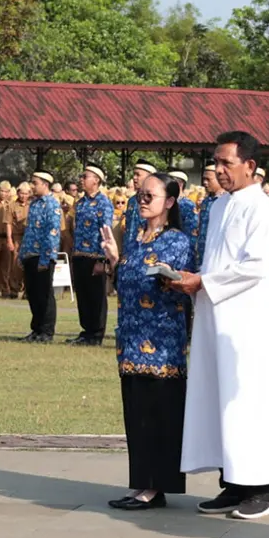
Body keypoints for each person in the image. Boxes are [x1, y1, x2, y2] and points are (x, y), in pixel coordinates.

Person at [174, 131, 269, 520]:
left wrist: (205, 282)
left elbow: (255, 267)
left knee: (248, 399)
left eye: (227, 163)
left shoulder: (262, 209)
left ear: (251, 166)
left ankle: (263, 488)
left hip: (248, 319)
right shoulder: (220, 206)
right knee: (220, 397)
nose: (219, 170)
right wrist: (194, 279)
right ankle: (235, 481)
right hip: (215, 314)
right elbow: (218, 260)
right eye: (216, 162)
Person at [102, 173, 195, 510]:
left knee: (159, 415)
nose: (142, 200)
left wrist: (167, 277)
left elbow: (170, 282)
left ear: (169, 202)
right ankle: (141, 481)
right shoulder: (137, 238)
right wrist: (116, 259)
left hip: (161, 341)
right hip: (131, 337)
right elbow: (128, 281)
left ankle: (157, 486)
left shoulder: (177, 241)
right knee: (137, 413)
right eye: (139, 195)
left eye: (149, 196)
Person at [70, 164, 114, 345]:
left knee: (96, 296)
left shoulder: (104, 203)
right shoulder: (80, 203)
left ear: (96, 180)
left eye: (85, 176)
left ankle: (96, 333)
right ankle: (86, 331)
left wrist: (103, 259)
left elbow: (106, 232)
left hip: (95, 255)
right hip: (80, 253)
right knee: (83, 294)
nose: (81, 179)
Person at [18, 172, 62, 343]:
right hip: (30, 254)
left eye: (35, 183)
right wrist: (22, 254)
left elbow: (52, 233)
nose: (32, 186)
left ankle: (46, 331)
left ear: (45, 184)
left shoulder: (52, 204)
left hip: (43, 256)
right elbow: (29, 232)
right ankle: (36, 329)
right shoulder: (35, 204)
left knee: (45, 295)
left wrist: (46, 259)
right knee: (33, 294)